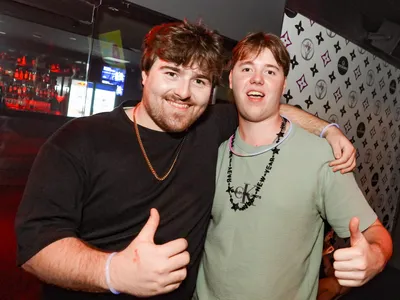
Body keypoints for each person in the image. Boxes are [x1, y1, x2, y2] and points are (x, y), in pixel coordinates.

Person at [16, 21, 355, 300]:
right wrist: (114, 272)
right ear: (146, 74)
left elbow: (268, 108)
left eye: (199, 80)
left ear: (212, 91)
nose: (183, 92)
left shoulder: (210, 126)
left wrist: (329, 130)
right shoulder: (78, 141)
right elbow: (35, 247)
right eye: (172, 73)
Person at [194, 32, 392, 300]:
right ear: (231, 78)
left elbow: (377, 234)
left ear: (283, 84)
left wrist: (376, 259)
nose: (257, 78)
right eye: (247, 68)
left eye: (270, 71)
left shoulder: (321, 157)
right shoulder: (214, 149)